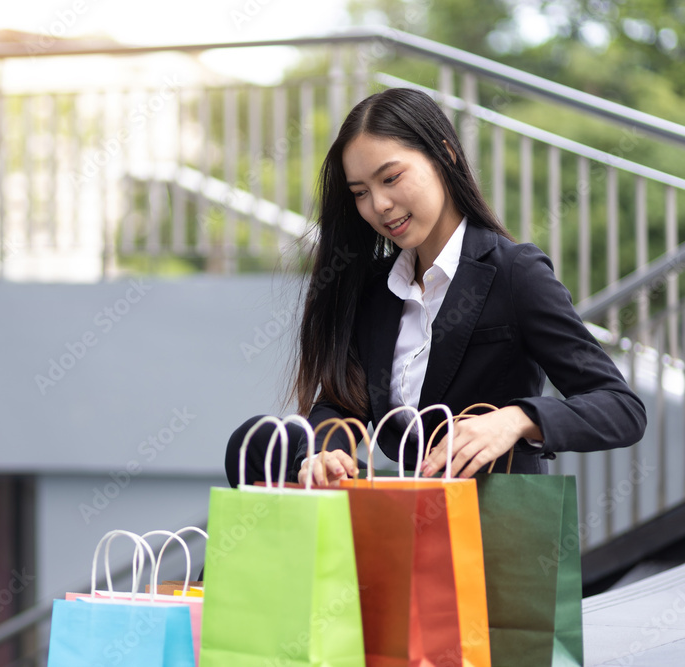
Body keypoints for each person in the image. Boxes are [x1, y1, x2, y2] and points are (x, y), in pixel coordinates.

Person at [224, 87, 646, 488]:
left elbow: (620, 407)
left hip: (493, 526)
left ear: (444, 155)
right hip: (406, 523)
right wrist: (323, 453)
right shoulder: (376, 289)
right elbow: (343, 402)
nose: (379, 205)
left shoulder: (515, 273)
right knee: (257, 443)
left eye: (391, 178)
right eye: (360, 192)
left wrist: (515, 419)